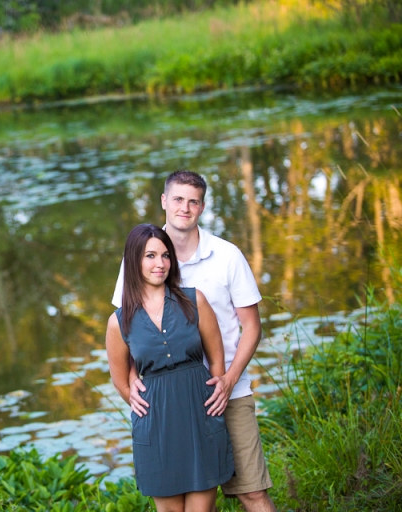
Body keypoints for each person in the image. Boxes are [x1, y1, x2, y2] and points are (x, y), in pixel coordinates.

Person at [112, 170, 276, 512]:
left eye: (193, 201)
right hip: (170, 405)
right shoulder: (142, 257)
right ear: (164, 201)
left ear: (202, 207)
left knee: (251, 491)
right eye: (177, 199)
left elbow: (253, 327)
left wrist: (228, 380)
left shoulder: (227, 256)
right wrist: (130, 381)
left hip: (225, 391)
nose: (184, 208)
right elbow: (129, 329)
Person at [106, 223, 234, 512]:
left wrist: (215, 398)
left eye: (165, 256)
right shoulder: (119, 321)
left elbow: (216, 359)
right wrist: (138, 403)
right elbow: (120, 380)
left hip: (199, 416)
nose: (160, 264)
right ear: (134, 260)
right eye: (150, 256)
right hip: (157, 427)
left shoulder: (193, 300)